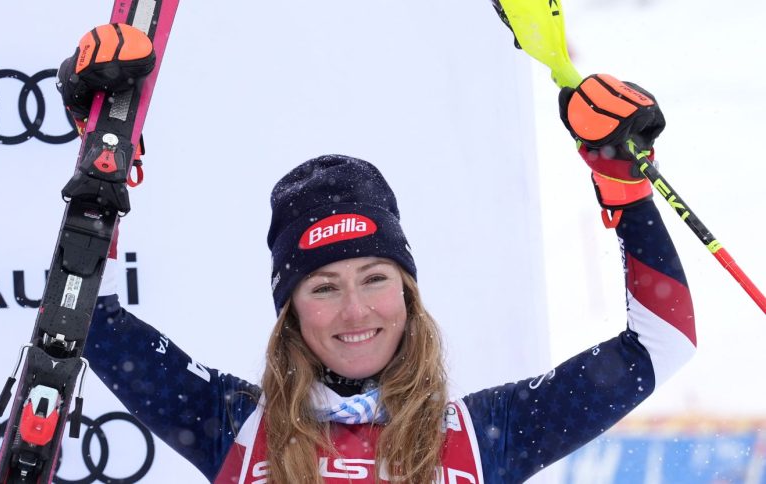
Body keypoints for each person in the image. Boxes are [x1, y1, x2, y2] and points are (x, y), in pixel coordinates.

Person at [58, 26, 697, 484]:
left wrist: (625, 187)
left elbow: (662, 346)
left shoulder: (488, 434)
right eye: (323, 286)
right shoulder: (233, 424)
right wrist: (104, 146)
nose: (355, 310)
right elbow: (87, 313)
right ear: (290, 312)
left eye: (374, 277)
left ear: (408, 292)